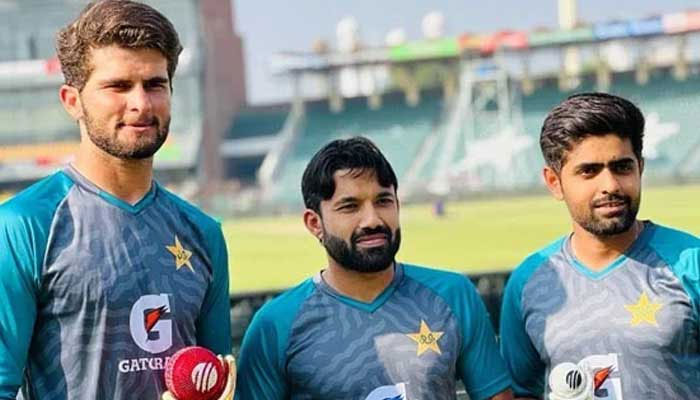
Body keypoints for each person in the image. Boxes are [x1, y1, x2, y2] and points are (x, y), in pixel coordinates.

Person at [0, 1, 235, 399]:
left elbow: (213, 383)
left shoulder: (204, 235)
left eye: (155, 84)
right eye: (118, 86)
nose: (141, 104)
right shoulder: (24, 226)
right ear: (72, 100)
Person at [235, 137, 513, 400]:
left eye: (383, 201)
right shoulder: (275, 326)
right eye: (349, 206)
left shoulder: (453, 295)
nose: (372, 220)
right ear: (314, 223)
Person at [499, 92, 700, 399]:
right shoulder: (530, 281)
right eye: (588, 171)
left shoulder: (691, 262)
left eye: (622, 167)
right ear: (554, 182)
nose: (610, 185)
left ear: (640, 168)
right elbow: (521, 391)